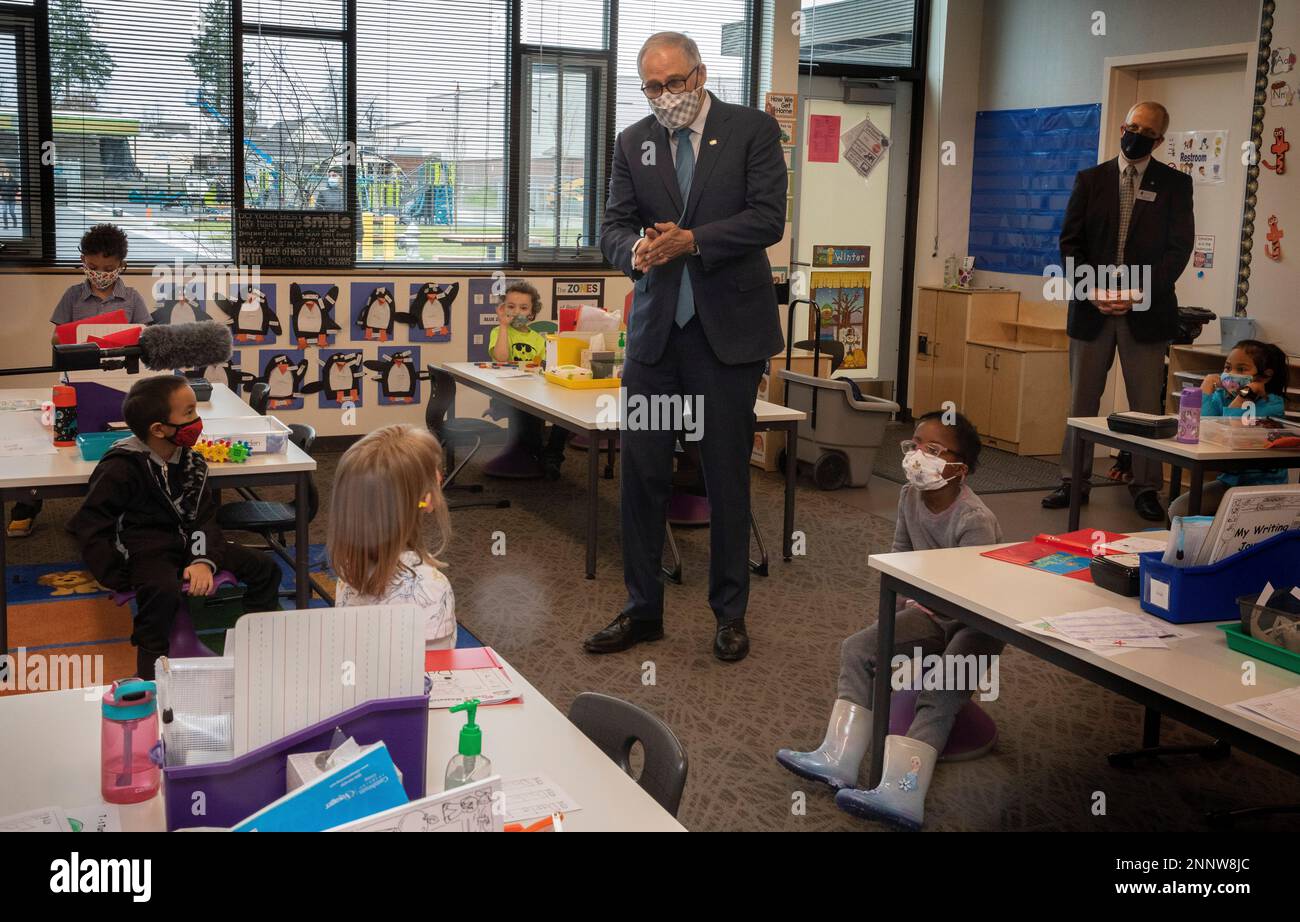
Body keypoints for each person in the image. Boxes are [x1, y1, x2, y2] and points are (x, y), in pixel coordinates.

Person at [586, 31, 786, 662]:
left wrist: (692, 239)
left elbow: (767, 218)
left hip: (725, 339)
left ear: (699, 75)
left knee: (724, 474)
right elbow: (613, 225)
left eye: (674, 82)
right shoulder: (633, 142)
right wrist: (636, 252)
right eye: (652, 86)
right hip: (656, 341)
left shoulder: (752, 130)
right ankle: (643, 609)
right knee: (643, 474)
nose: (665, 96)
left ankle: (730, 613)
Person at [776, 412, 1003, 830]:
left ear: (959, 467)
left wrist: (929, 644)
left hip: (977, 622)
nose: (918, 456)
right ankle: (838, 757)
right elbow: (898, 564)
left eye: (933, 450)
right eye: (914, 444)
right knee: (859, 648)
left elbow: (977, 598)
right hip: (930, 612)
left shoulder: (974, 520)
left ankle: (903, 792)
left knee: (942, 685)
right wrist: (895, 634)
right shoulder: (908, 496)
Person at [70, 376, 281, 679]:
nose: (197, 420)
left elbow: (203, 518)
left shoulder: (192, 462)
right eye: (189, 413)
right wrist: (117, 574)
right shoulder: (121, 467)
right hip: (145, 550)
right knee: (160, 591)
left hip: (191, 542)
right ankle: (151, 673)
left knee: (264, 568)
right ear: (158, 429)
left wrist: (201, 560)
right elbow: (90, 523)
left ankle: (255, 646)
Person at [1043, 101, 1194, 523]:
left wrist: (1136, 292)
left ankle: (1146, 488)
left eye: (1146, 131)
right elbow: (1070, 243)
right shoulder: (1090, 180)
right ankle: (1074, 481)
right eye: (1131, 126)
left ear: (1159, 140)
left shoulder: (1176, 185)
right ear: (1122, 127)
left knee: (1146, 402)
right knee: (1082, 398)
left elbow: (1178, 251)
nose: (1135, 135)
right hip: (1092, 307)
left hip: (1145, 309)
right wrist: (1092, 291)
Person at [8, 223, 152, 539]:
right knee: (58, 442)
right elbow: (57, 337)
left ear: (121, 265)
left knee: (119, 444)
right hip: (74, 381)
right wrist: (73, 337)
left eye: (108, 268)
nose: (100, 273)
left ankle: (117, 508)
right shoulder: (73, 295)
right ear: (83, 262)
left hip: (117, 384)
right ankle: (26, 507)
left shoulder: (132, 297)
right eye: (92, 266)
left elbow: (145, 338)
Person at [328, 424, 457, 650]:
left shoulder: (348, 573)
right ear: (426, 500)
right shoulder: (431, 587)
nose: (439, 475)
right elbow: (436, 674)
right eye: (435, 470)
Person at [1169, 339, 1290, 518]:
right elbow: (1204, 424)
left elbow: (1234, 429)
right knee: (1178, 510)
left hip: (1263, 485)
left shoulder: (1272, 404)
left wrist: (1243, 396)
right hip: (1230, 482)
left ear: (1265, 376)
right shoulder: (1222, 396)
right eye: (1227, 368)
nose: (1231, 374)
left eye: (1241, 370)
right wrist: (1205, 391)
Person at [485, 281, 567, 479]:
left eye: (523, 308)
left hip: (532, 391)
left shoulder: (538, 339)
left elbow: (540, 367)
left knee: (565, 414)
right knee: (528, 413)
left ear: (532, 313)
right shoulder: (498, 332)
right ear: (503, 309)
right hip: (507, 394)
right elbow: (502, 358)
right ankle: (537, 453)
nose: (516, 312)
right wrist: (503, 326)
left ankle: (552, 454)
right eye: (510, 307)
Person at [0, 165, 17, 230]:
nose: (6, 174)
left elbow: (18, 189)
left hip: (12, 199)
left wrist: (13, 193)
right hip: (4, 199)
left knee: (11, 212)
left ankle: (15, 223)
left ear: (9, 173)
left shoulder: (14, 181)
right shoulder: (1, 181)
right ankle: (6, 225)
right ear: (3, 174)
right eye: (4, 172)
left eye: (7, 172)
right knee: (4, 212)